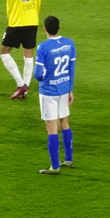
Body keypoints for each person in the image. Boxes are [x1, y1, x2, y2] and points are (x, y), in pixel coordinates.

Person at [0, 0, 43, 100]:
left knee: (4, 52)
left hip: (17, 20)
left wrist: (11, 18)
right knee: (28, 55)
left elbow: (9, 1)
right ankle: (25, 91)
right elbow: (38, 0)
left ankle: (20, 84)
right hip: (33, 19)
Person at [34, 15, 76, 175]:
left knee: (51, 128)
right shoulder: (69, 43)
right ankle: (69, 159)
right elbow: (71, 68)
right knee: (64, 122)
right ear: (59, 27)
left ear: (45, 29)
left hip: (49, 92)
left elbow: (38, 74)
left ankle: (54, 167)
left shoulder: (43, 47)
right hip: (64, 89)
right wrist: (70, 89)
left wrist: (44, 76)